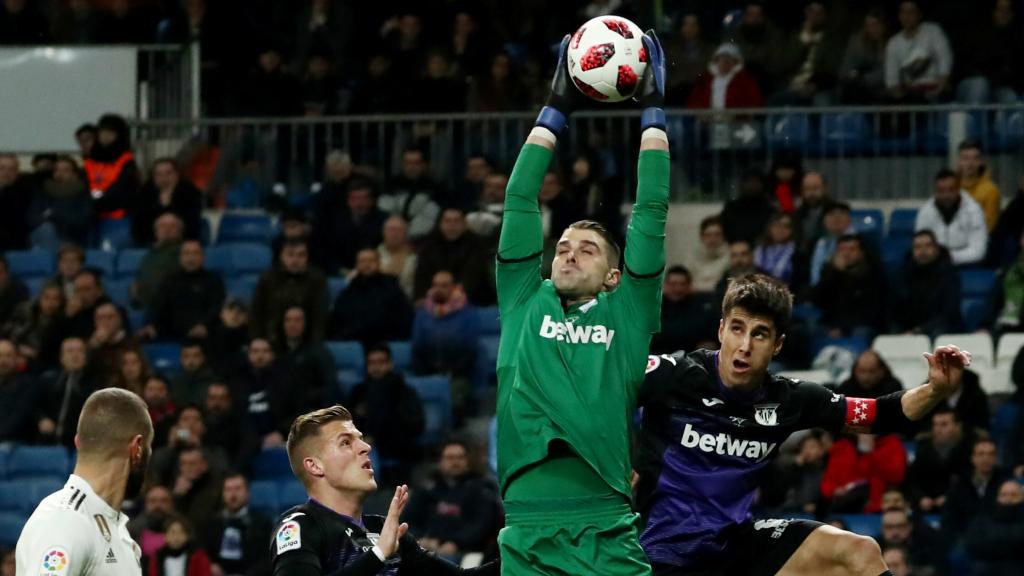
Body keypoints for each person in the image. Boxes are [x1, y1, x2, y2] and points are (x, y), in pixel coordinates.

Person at [636, 273, 972, 575]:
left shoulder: (788, 399)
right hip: (659, 553)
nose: (744, 346)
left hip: (733, 546)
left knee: (858, 552)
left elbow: (879, 414)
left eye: (760, 334)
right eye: (737, 328)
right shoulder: (674, 373)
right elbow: (599, 395)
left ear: (778, 344)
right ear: (721, 329)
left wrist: (935, 390)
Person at [495, 30, 668, 575]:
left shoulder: (629, 310)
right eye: (563, 246)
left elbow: (652, 211)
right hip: (524, 528)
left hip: (606, 525)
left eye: (587, 249)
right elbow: (520, 199)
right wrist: (554, 109)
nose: (568, 254)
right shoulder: (524, 298)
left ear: (615, 274)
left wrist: (654, 112)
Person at [270, 405, 498, 574]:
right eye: (346, 442)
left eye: (360, 439)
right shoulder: (300, 526)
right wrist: (377, 555)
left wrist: (526, 545)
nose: (366, 447)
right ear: (315, 466)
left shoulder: (383, 530)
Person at [16, 388, 153, 575]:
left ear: (78, 441)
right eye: (148, 447)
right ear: (136, 449)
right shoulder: (65, 519)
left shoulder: (116, 532)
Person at [407, 439, 502, 563]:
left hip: (467, 551)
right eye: (450, 458)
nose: (455, 462)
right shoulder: (428, 487)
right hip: (427, 547)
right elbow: (408, 520)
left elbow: (481, 525)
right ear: (440, 460)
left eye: (460, 457)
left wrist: (456, 543)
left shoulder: (483, 488)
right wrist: (420, 539)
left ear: (469, 460)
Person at [348, 343, 425, 484]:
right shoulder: (358, 392)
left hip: (396, 446)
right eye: (372, 363)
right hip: (361, 445)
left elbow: (416, 424)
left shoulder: (404, 391)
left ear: (390, 364)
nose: (376, 367)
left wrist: (377, 435)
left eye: (381, 362)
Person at [142, 239, 225, 342]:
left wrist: (204, 325)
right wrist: (151, 324)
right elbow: (156, 305)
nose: (191, 258)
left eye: (196, 253)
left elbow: (216, 307)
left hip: (203, 331)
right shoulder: (169, 280)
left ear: (203, 257)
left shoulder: (213, 279)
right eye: (186, 253)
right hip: (172, 330)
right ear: (180, 258)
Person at [328, 248, 412, 344]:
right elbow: (337, 321)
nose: (367, 264)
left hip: (385, 340)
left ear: (378, 263)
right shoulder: (348, 293)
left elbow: (403, 317)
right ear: (356, 265)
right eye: (362, 261)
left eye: (371, 260)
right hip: (353, 341)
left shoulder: (392, 288)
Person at [251, 240, 328, 342]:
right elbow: (257, 313)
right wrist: (258, 340)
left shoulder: (317, 280)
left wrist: (315, 344)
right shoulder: (268, 278)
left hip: (307, 342)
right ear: (282, 256)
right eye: (290, 255)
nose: (295, 260)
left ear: (307, 257)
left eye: (301, 255)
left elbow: (320, 317)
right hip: (272, 341)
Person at [890, 230, 962, 337]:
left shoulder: (949, 274)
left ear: (936, 249)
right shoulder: (902, 275)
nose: (923, 251)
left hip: (940, 330)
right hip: (908, 331)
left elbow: (949, 313)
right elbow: (894, 311)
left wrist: (919, 331)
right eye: (918, 247)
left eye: (928, 246)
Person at [812, 234, 887, 337]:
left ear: (862, 253)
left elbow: (871, 311)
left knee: (861, 332)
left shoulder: (873, 275)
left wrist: (843, 329)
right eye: (841, 250)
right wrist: (836, 273)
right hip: (831, 325)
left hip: (861, 325)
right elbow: (817, 300)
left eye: (852, 249)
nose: (846, 254)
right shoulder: (830, 273)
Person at [199, 473, 273, 576]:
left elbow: (268, 558)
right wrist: (210, 565)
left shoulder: (263, 523)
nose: (233, 494)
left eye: (238, 489)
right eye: (228, 489)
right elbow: (203, 553)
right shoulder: (211, 523)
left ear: (247, 493)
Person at [915, 168, 988, 267]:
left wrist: (945, 256)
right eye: (941, 190)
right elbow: (920, 247)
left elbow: (978, 252)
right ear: (935, 191)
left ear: (958, 189)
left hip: (968, 265)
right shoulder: (925, 212)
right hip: (935, 266)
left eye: (951, 190)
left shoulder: (974, 210)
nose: (946, 195)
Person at [884, 0, 953, 102]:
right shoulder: (893, 43)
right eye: (903, 12)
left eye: (911, 12)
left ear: (919, 15)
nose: (907, 16)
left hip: (936, 89)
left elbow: (945, 59)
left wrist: (939, 87)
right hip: (912, 95)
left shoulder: (933, 31)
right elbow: (891, 79)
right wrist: (902, 99)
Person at [35, 337, 94, 448]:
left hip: (77, 446)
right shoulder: (47, 380)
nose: (75, 355)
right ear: (61, 357)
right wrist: (41, 419)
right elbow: (33, 406)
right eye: (70, 351)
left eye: (80, 351)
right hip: (45, 443)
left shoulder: (93, 385)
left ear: (86, 357)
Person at [132, 157, 203, 246]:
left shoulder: (190, 194)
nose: (164, 178)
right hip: (151, 245)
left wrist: (170, 203)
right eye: (159, 174)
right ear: (153, 177)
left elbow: (192, 224)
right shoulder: (144, 196)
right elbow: (139, 226)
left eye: (168, 173)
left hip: (183, 245)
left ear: (177, 175)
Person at [650, 266, 717, 355]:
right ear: (665, 285)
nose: (678, 289)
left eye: (682, 284)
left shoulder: (702, 308)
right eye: (673, 284)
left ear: (689, 286)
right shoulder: (653, 308)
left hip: (692, 359)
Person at [965, 478, 1024, 576]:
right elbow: (973, 546)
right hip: (988, 570)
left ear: (1022, 498)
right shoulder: (983, 518)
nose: (1008, 499)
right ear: (997, 498)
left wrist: (996, 542)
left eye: (1014, 495)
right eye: (1004, 495)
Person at [134, 213, 184, 312]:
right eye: (163, 226)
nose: (167, 230)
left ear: (180, 231)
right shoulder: (149, 255)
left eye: (172, 226)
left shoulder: (185, 251)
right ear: (156, 232)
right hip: (145, 305)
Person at [146, 516, 212, 576]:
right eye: (172, 532)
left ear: (187, 536)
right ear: (165, 536)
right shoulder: (157, 557)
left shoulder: (198, 556)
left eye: (181, 532)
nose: (176, 537)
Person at [956, 140, 1000, 231]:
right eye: (965, 158)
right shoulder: (951, 187)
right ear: (959, 162)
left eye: (975, 158)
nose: (970, 163)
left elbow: (989, 227)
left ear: (981, 162)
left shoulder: (991, 190)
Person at [0, 338, 38, 444]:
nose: (3, 361)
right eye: (0, 355)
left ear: (17, 358)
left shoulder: (28, 384)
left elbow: (17, 419)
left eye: (8, 355)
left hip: (14, 443)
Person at [683, 215, 729, 294]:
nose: (712, 239)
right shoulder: (692, 258)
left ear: (723, 236)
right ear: (702, 237)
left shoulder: (732, 257)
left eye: (717, 235)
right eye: (708, 235)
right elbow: (686, 285)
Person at [838, 351, 904, 399]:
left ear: (881, 371)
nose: (866, 377)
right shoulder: (846, 389)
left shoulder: (894, 390)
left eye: (872, 371)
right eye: (862, 371)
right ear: (855, 371)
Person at [754, 213, 796, 284]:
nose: (780, 230)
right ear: (769, 228)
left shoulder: (797, 252)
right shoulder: (760, 250)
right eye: (777, 225)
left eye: (786, 226)